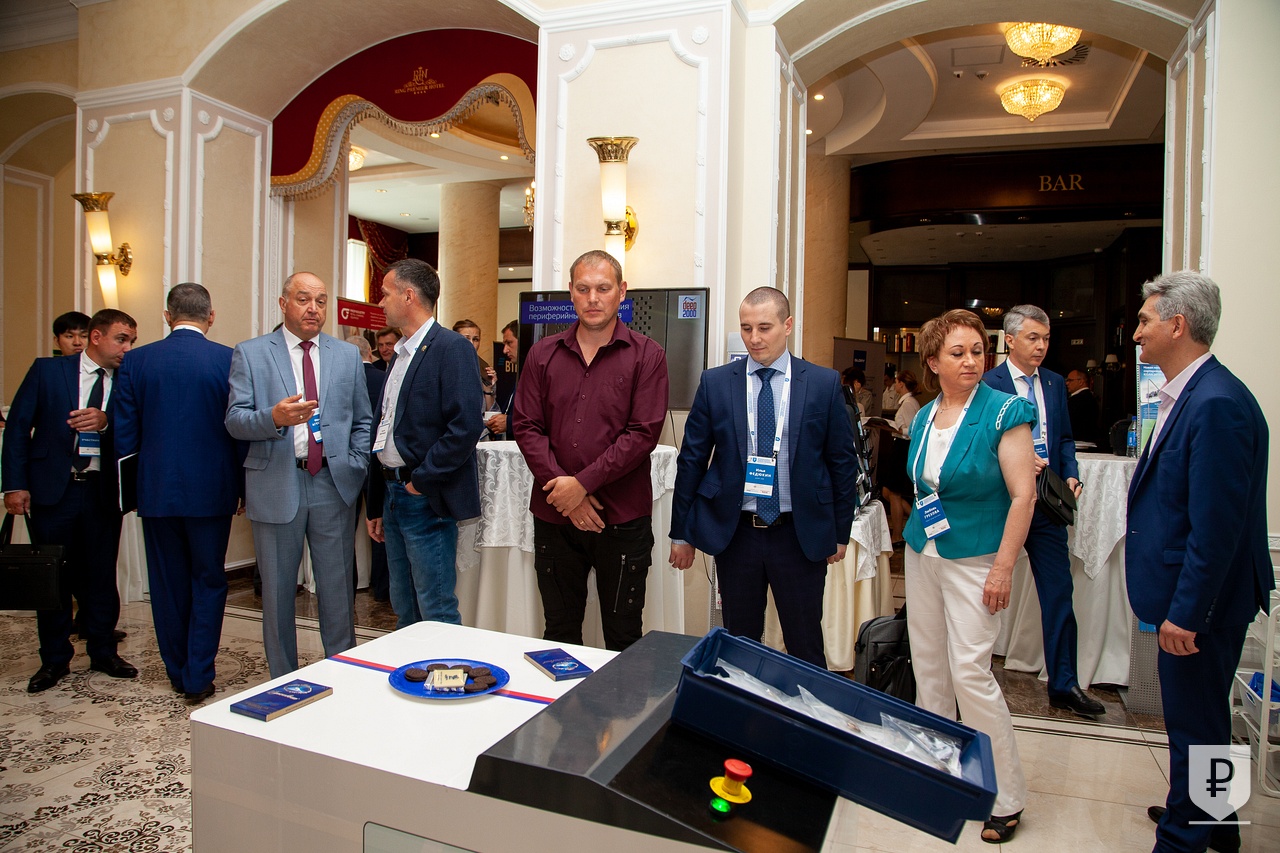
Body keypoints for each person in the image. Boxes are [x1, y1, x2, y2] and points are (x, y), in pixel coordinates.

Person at [1126, 271, 1271, 853]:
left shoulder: (1215, 404)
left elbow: (1217, 528)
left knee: (1195, 729)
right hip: (1200, 597)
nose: (1137, 333)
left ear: (1177, 325)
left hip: (1202, 605)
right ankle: (1220, 826)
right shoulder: (1196, 392)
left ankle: (1183, 839)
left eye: (1145, 320)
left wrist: (1188, 612)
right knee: (1207, 722)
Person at [903, 308, 1037, 844]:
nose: (970, 361)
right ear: (933, 361)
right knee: (930, 667)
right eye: (957, 353)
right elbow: (922, 484)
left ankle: (1005, 796)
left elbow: (1024, 496)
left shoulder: (1005, 411)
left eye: (978, 351)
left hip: (979, 558)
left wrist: (1003, 568)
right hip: (925, 550)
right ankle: (937, 772)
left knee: (970, 673)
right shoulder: (924, 416)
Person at [669, 287, 858, 667]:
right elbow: (692, 461)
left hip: (799, 535)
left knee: (805, 643)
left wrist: (840, 532)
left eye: (764, 328)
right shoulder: (716, 383)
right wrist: (681, 533)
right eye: (746, 328)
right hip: (737, 534)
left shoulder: (822, 383)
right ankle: (744, 705)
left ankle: (808, 706)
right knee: (739, 644)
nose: (754, 338)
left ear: (787, 326)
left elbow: (842, 462)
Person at [514, 250, 669, 651]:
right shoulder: (542, 354)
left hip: (622, 518)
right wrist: (564, 491)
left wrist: (580, 485)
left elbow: (642, 434)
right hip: (554, 516)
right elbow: (525, 426)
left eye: (603, 288)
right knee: (559, 634)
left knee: (624, 638)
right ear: (571, 292)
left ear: (622, 291)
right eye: (583, 289)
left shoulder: (648, 355)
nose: (593, 298)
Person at [225, 271, 372, 678]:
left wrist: (355, 463)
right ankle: (283, 680)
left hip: (332, 483)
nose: (313, 309)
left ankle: (342, 674)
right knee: (277, 594)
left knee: (337, 591)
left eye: (321, 301)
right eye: (304, 299)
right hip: (277, 482)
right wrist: (273, 418)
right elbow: (235, 420)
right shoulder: (251, 353)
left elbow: (363, 419)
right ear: (283, 303)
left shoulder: (346, 355)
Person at [111, 283, 244, 703]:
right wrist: (241, 487)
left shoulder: (136, 361)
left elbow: (125, 436)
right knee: (209, 580)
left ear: (168, 316)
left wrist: (132, 492)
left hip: (156, 490)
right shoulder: (229, 359)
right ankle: (198, 675)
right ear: (211, 316)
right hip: (213, 489)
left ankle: (176, 669)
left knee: (167, 584)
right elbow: (239, 430)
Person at [3, 309, 140, 693]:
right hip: (53, 491)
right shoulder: (48, 371)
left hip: (101, 491)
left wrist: (106, 422)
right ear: (96, 336)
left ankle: (103, 651)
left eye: (132, 341)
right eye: (121, 339)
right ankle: (53, 658)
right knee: (54, 577)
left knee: (100, 575)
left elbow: (139, 429)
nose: (127, 349)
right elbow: (18, 428)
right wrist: (14, 486)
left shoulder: (128, 379)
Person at [983, 305, 1103, 718]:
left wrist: (1070, 473)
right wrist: (1015, 458)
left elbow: (1065, 439)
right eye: (1032, 338)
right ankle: (974, 678)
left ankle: (1064, 684)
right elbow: (980, 443)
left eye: (1046, 339)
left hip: (1047, 505)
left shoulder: (1053, 383)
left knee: (1058, 594)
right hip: (1002, 505)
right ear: (1010, 340)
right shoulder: (988, 383)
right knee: (983, 591)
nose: (1041, 346)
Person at [366, 259, 483, 628]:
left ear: (408, 296)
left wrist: (421, 481)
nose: (380, 302)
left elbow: (464, 427)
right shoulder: (399, 354)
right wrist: (376, 503)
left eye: (385, 293)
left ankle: (444, 667)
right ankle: (412, 666)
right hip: (392, 494)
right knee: (404, 605)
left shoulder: (451, 348)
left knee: (436, 608)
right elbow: (384, 427)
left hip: (423, 497)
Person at [346, 334, 390, 602]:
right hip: (379, 462)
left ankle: (346, 589)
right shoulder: (384, 379)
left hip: (346, 464)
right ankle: (382, 588)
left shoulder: (341, 380)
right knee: (380, 525)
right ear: (369, 353)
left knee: (344, 532)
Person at [876, 369, 920, 542]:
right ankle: (917, 519)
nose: (895, 385)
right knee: (887, 491)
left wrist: (896, 429)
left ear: (901, 384)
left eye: (896, 382)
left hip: (903, 447)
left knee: (895, 493)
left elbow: (912, 431)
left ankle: (897, 534)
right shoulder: (908, 402)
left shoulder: (908, 403)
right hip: (900, 446)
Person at [453, 318, 498, 413]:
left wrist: (488, 389)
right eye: (466, 338)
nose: (471, 343)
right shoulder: (446, 365)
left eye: (476, 339)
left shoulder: (484, 368)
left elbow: (492, 413)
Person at [485, 319, 520, 440]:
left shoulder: (536, 374)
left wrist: (509, 423)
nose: (505, 350)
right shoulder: (520, 375)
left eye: (509, 343)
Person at [1064, 369, 1101, 446]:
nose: (1067, 383)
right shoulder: (1089, 397)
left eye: (1070, 380)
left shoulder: (1079, 399)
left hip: (1080, 442)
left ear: (1081, 382)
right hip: (1086, 441)